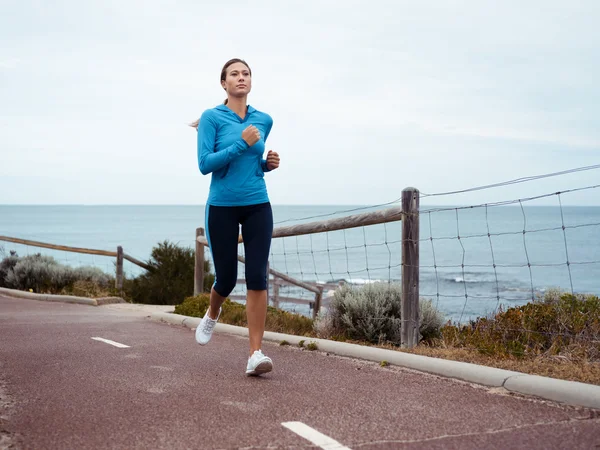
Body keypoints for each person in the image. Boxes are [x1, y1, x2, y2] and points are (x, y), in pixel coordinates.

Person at [191, 58, 280, 376]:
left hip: (257, 203)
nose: (240, 78)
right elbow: (205, 164)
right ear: (223, 83)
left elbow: (254, 163)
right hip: (222, 207)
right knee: (226, 279)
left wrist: (267, 164)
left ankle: (255, 353)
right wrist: (242, 144)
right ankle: (213, 311)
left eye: (245, 73)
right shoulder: (211, 118)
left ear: (251, 81)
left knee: (257, 275)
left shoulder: (264, 119)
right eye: (234, 74)